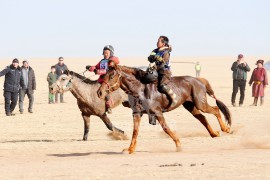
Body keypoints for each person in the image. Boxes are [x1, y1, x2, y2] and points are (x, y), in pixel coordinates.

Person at [85, 45, 119, 114]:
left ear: (111, 53)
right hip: (101, 79)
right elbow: (96, 66)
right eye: (104, 53)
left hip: (109, 80)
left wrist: (101, 71)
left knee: (106, 91)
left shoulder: (112, 60)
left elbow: (116, 62)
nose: (105, 54)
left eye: (107, 53)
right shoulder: (102, 61)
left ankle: (109, 106)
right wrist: (92, 68)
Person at [148, 36, 177, 108]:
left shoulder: (166, 52)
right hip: (155, 71)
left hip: (164, 72)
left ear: (163, 43)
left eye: (158, 41)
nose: (156, 42)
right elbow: (150, 58)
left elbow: (164, 63)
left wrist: (157, 61)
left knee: (162, 85)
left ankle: (173, 99)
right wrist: (152, 58)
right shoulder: (155, 50)